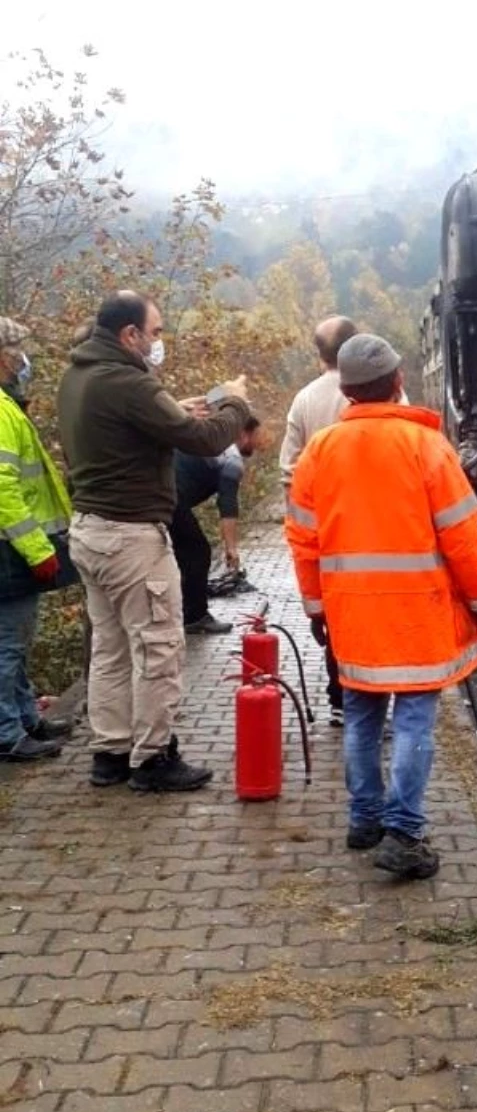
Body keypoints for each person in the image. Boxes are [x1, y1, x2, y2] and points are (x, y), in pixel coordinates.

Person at [285, 333, 477, 881]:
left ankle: (365, 819)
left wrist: (314, 608)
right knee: (412, 717)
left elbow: (302, 539)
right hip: (417, 615)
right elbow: (463, 537)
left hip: (351, 614)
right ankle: (404, 831)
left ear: (347, 389)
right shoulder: (426, 448)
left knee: (360, 713)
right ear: (398, 382)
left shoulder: (319, 452)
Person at [57, 292, 253, 792]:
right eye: (157, 331)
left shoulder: (80, 375)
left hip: (90, 530)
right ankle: (154, 758)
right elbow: (207, 440)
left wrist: (174, 409)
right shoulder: (127, 381)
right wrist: (233, 400)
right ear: (130, 335)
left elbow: (134, 424)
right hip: (131, 538)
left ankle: (111, 753)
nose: (159, 340)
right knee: (160, 647)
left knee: (111, 649)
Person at [0, 318, 75, 763]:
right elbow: (3, 488)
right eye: (18, 350)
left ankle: (26, 717)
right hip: (10, 552)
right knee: (8, 644)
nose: (24, 359)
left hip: (13, 549)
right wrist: (38, 549)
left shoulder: (9, 407)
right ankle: (8, 732)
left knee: (18, 641)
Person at [280, 317, 358, 726]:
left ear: (319, 355)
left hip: (325, 530)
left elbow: (289, 470)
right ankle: (374, 702)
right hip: (375, 526)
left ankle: (340, 699)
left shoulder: (305, 400)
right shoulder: (380, 389)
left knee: (335, 616)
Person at [170, 412, 267, 635]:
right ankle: (195, 617)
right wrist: (231, 548)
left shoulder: (213, 444)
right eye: (255, 435)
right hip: (170, 498)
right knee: (198, 552)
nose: (257, 442)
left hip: (154, 492)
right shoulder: (231, 458)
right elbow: (228, 507)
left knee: (178, 555)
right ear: (242, 434)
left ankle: (176, 612)